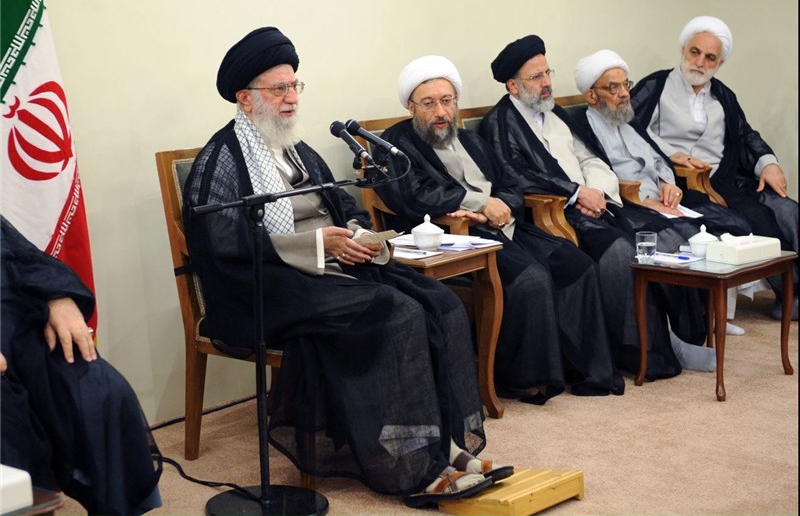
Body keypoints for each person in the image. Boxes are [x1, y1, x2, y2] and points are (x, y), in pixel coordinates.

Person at [182, 27, 511, 508]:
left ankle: (443, 444)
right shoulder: (223, 158)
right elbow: (220, 241)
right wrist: (316, 244)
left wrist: (356, 235)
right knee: (397, 314)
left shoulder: (297, 147)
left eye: (295, 86)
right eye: (279, 89)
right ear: (245, 98)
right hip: (267, 285)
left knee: (440, 304)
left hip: (331, 267)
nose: (292, 98)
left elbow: (343, 204)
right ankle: (414, 465)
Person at [375, 54, 625, 400]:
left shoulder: (470, 140)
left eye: (447, 101)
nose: (441, 112)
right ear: (411, 107)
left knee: (576, 265)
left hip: (504, 226)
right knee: (530, 279)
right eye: (429, 104)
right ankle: (524, 378)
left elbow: (510, 182)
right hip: (454, 235)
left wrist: (503, 205)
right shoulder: (396, 144)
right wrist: (479, 204)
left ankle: (582, 369)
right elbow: (413, 194)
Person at [478, 35, 716, 376]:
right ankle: (640, 349)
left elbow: (590, 158)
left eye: (547, 73)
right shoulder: (500, 123)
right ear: (513, 86)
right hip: (556, 215)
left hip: (596, 204)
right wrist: (577, 194)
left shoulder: (553, 112)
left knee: (665, 237)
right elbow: (515, 177)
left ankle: (677, 336)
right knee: (622, 252)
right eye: (536, 77)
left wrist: (596, 192)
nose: (547, 83)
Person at [572, 49, 756, 335]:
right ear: (592, 96)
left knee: (729, 225)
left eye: (625, 85)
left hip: (662, 198)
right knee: (685, 238)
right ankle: (690, 328)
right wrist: (646, 202)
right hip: (631, 204)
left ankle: (714, 314)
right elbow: (602, 179)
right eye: (613, 88)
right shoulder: (583, 129)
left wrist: (668, 184)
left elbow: (658, 158)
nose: (624, 94)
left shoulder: (628, 120)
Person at [630, 15, 799, 321]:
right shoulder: (656, 86)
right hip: (681, 182)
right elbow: (631, 129)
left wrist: (768, 163)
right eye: (694, 52)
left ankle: (793, 290)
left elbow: (744, 134)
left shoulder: (722, 94)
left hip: (727, 176)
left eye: (710, 57)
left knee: (788, 210)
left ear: (720, 63)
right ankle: (790, 293)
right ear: (683, 50)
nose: (700, 62)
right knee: (752, 218)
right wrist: (673, 153)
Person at [0, 215, 162, 515]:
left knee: (101, 389)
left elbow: (21, 256)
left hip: (17, 337)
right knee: (8, 427)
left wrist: (57, 297)